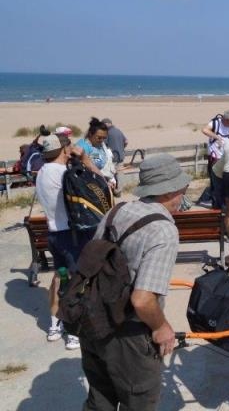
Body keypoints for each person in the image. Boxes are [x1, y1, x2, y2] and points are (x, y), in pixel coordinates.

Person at [80, 154, 190, 410]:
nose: (184, 195)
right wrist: (162, 327)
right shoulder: (163, 230)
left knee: (100, 399)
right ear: (170, 191)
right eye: (183, 189)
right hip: (128, 334)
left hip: (94, 320)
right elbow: (142, 299)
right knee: (138, 401)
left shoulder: (117, 210)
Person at [36, 134, 96, 350]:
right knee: (76, 282)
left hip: (54, 234)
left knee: (60, 277)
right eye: (69, 145)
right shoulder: (64, 173)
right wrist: (86, 160)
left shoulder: (42, 172)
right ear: (63, 150)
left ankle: (55, 323)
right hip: (71, 236)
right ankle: (74, 328)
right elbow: (98, 186)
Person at [201, 110, 229, 208]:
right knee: (215, 183)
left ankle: (225, 203)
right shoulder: (216, 123)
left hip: (227, 158)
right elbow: (204, 130)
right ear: (226, 120)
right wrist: (217, 137)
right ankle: (216, 204)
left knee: (227, 182)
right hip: (215, 158)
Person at [102, 118, 128, 193]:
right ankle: (119, 190)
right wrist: (122, 148)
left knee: (110, 174)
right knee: (120, 173)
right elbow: (126, 141)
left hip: (112, 157)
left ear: (106, 124)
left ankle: (111, 191)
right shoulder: (118, 131)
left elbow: (103, 145)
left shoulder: (107, 133)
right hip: (121, 156)